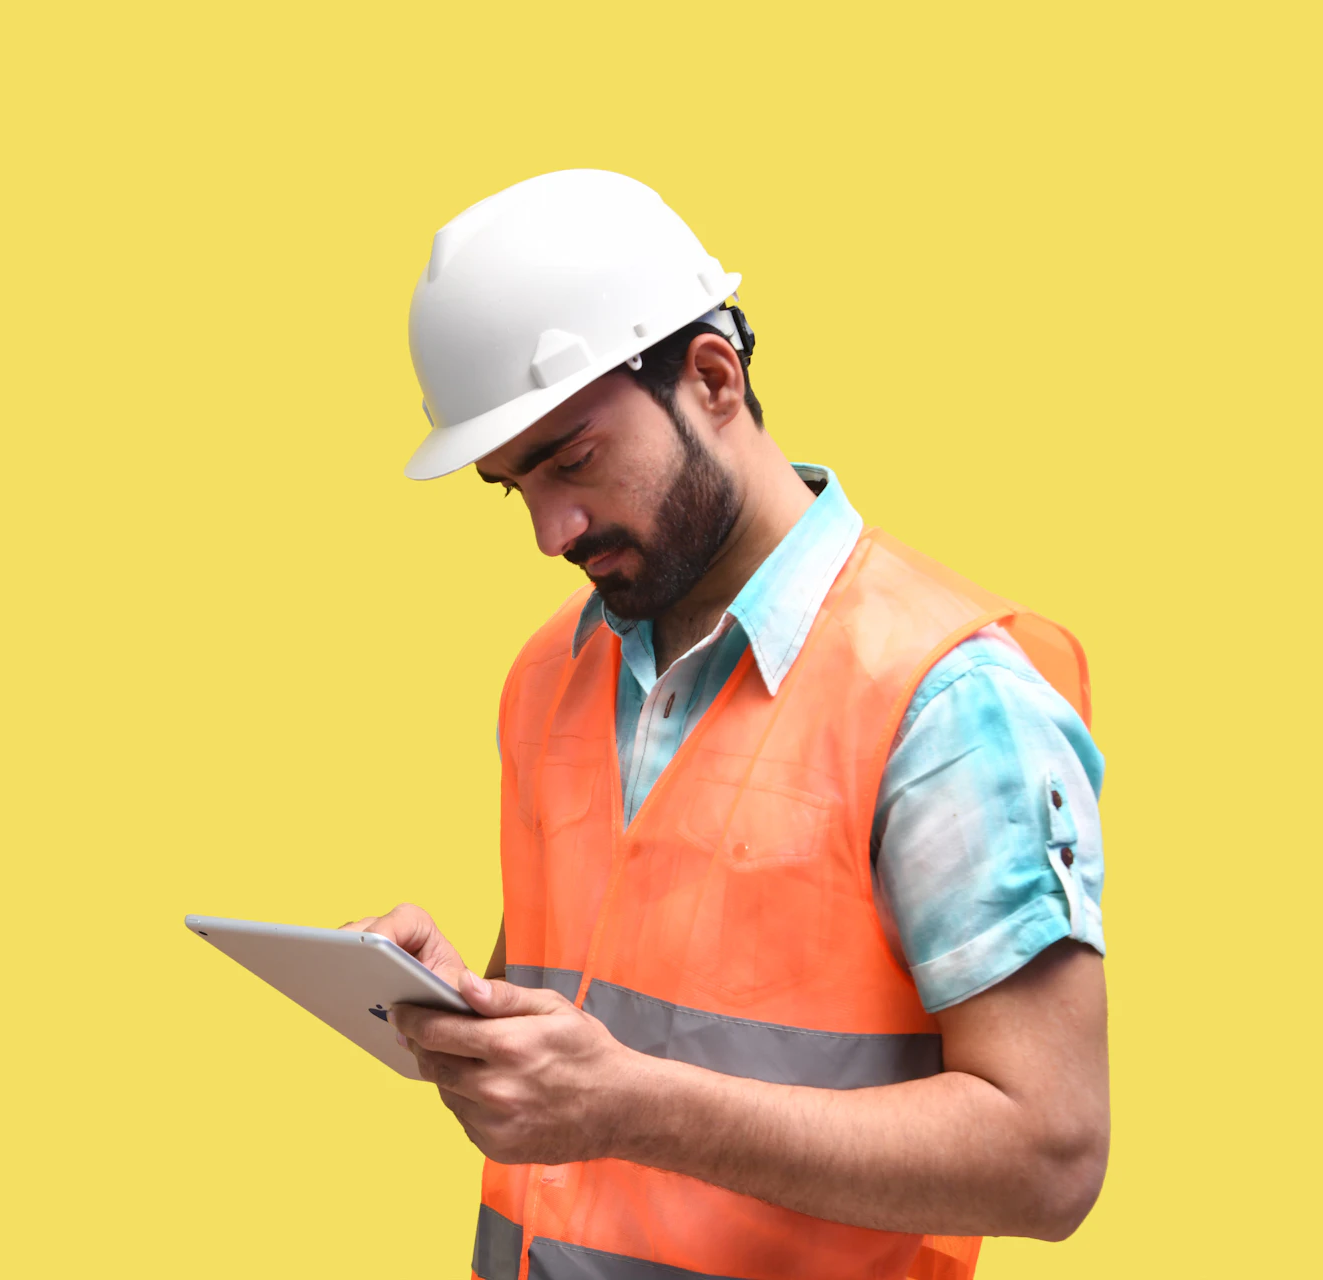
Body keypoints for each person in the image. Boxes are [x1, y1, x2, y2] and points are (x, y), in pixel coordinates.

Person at [344, 170, 1109, 1280]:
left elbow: (1049, 1155)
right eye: (514, 487)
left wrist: (632, 1105)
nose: (552, 530)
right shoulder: (549, 673)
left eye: (573, 458)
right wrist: (463, 1010)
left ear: (711, 377)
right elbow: (599, 1022)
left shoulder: (945, 700)